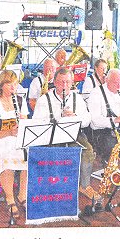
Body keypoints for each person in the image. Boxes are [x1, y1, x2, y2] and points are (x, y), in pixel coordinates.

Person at [32, 68, 99, 200]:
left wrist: (75, 117)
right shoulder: (44, 100)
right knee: (55, 154)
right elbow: (37, 123)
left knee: (88, 151)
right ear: (55, 83)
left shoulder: (77, 98)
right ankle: (56, 187)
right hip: (51, 138)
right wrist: (57, 118)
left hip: (74, 135)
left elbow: (87, 120)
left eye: (68, 82)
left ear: (72, 83)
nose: (64, 86)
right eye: (61, 82)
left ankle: (85, 186)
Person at [0, 70, 29, 221]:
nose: (13, 88)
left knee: (29, 157)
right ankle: (9, 198)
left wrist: (22, 126)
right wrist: (9, 132)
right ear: (1, 86)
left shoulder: (20, 101)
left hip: (17, 139)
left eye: (15, 84)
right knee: (7, 160)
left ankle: (22, 195)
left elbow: (25, 124)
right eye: (9, 84)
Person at [87, 68, 120, 164]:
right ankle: (109, 170)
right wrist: (117, 119)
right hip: (105, 132)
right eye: (115, 83)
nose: (119, 86)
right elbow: (94, 121)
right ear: (106, 80)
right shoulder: (96, 93)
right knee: (110, 145)